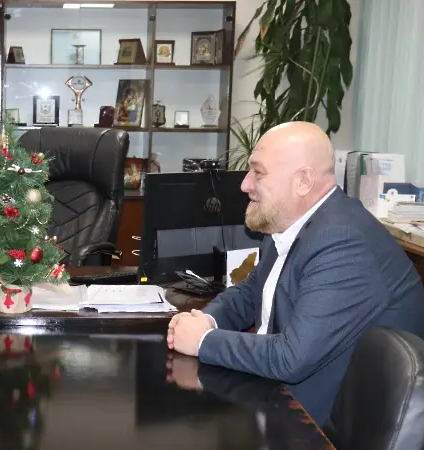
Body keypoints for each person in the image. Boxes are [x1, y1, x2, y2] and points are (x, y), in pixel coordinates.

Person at [166, 121, 424, 425]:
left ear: (303, 181)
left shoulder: (342, 240)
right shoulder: (288, 221)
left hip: (317, 429)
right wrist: (206, 320)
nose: (245, 184)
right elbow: (252, 292)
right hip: (274, 397)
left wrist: (203, 341)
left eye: (258, 172)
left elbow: (292, 358)